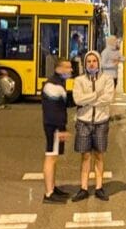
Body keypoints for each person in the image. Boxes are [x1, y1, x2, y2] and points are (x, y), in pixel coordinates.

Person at [71, 51, 115, 202]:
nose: (91, 64)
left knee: (99, 155)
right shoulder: (79, 80)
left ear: (99, 62)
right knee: (85, 156)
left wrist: (87, 99)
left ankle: (99, 187)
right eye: (88, 61)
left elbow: (108, 99)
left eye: (94, 61)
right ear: (85, 64)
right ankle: (83, 188)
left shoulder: (107, 79)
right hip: (83, 121)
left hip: (101, 122)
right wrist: (96, 95)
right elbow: (77, 99)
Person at [41, 58, 75, 204]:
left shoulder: (56, 83)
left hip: (52, 125)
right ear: (59, 68)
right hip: (53, 126)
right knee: (51, 157)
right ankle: (49, 193)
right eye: (68, 67)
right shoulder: (53, 85)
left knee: (53, 156)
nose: (71, 70)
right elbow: (55, 110)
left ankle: (52, 188)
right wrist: (61, 129)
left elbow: (64, 103)